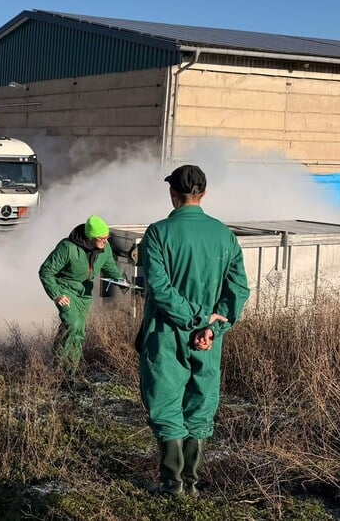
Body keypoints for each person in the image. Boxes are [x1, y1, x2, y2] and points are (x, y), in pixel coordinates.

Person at [136, 165, 250, 496]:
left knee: (165, 403)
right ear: (204, 193)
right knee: (201, 403)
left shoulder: (157, 233)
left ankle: (172, 485)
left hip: (165, 333)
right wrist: (212, 327)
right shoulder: (225, 235)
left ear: (173, 194)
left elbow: (160, 288)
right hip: (208, 338)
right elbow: (238, 289)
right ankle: (191, 484)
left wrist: (193, 319)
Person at [39, 215, 125, 376]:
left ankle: (71, 371)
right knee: (72, 323)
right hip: (65, 289)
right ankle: (58, 368)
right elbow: (46, 271)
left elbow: (110, 267)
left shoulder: (105, 249)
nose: (106, 241)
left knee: (79, 332)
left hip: (85, 293)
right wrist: (56, 295)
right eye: (101, 238)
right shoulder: (67, 247)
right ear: (91, 237)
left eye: (107, 237)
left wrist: (123, 283)